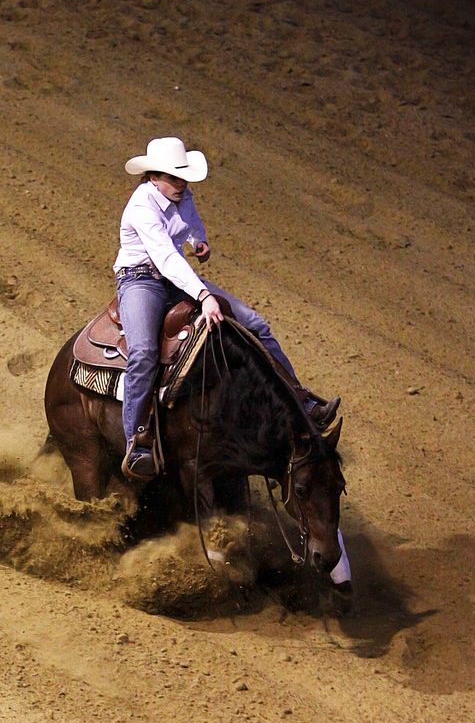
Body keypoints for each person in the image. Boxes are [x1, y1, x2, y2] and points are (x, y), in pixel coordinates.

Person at [113, 137, 339, 479]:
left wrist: (198, 240)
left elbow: (189, 221)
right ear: (153, 177)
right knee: (143, 351)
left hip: (176, 278)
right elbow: (164, 256)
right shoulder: (141, 206)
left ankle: (299, 399)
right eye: (174, 178)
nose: (182, 184)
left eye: (183, 177)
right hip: (140, 280)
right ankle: (136, 441)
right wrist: (203, 295)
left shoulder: (179, 194)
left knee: (256, 325)